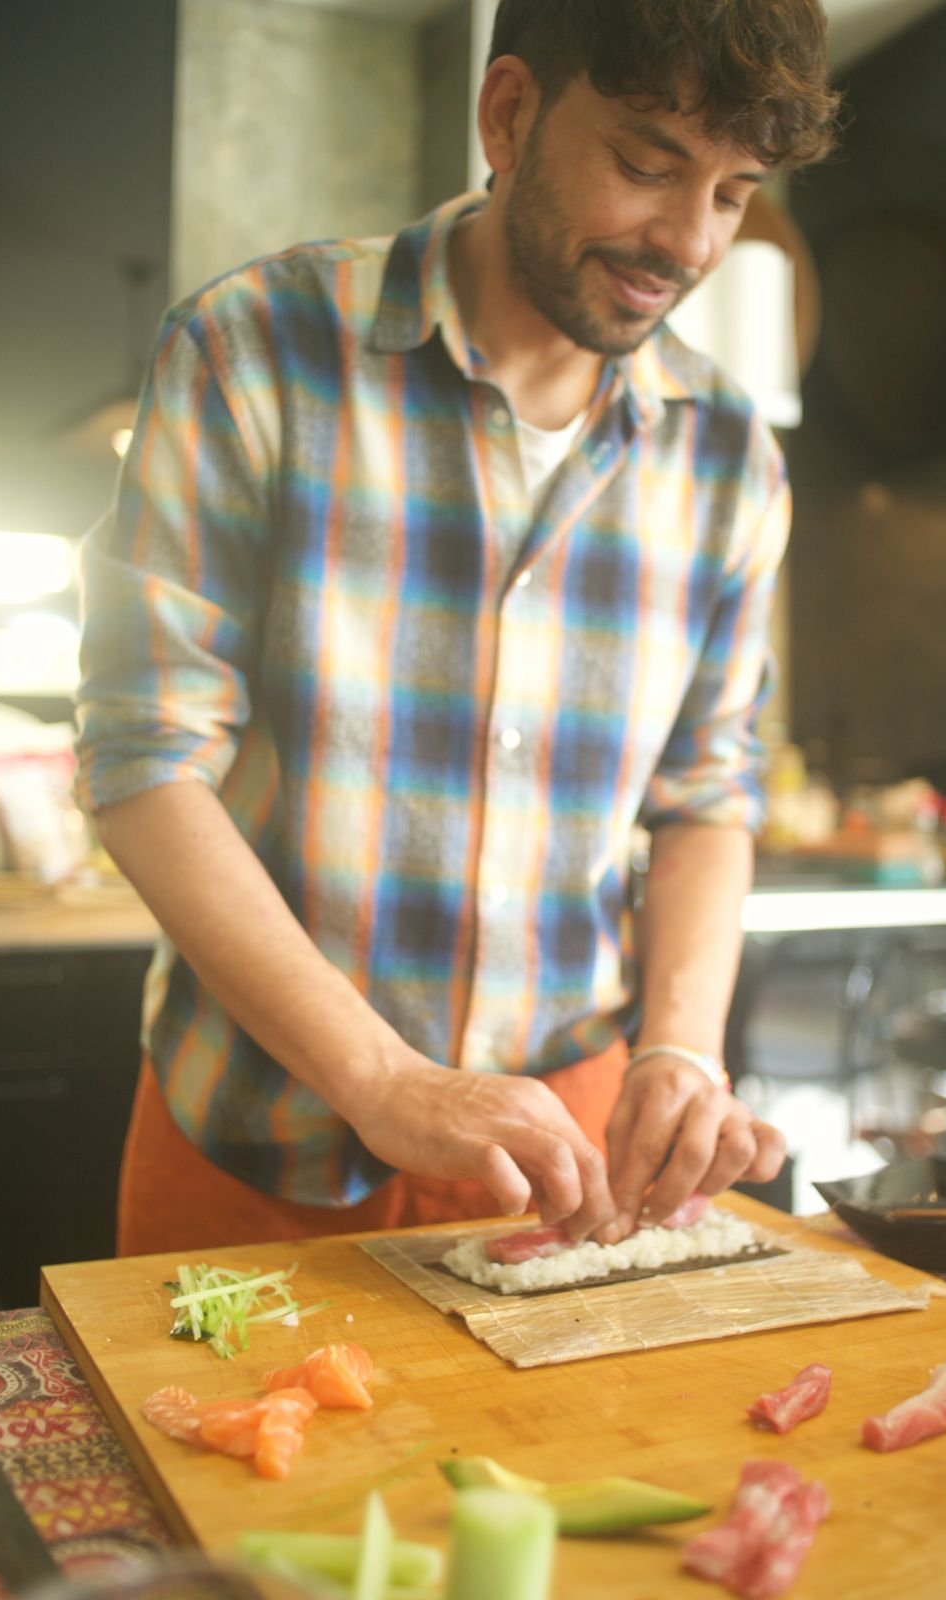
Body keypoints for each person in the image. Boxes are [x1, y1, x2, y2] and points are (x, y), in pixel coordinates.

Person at [74, 0, 840, 1257]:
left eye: (731, 193)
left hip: (568, 1163)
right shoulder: (253, 350)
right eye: (646, 166)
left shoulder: (727, 458)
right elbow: (144, 760)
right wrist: (382, 1077)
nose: (688, 240)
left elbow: (707, 794)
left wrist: (680, 1048)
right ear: (509, 113)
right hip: (256, 1139)